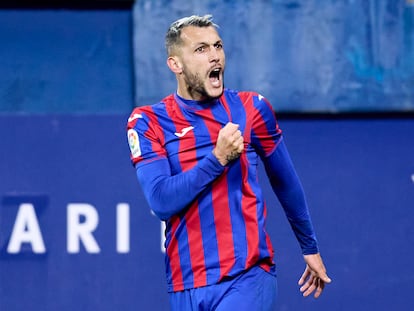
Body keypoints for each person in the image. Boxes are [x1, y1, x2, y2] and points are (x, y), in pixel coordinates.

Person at [127, 14, 331, 311]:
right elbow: (160, 200)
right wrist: (218, 159)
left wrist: (309, 246)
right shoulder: (148, 121)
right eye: (201, 49)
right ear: (176, 65)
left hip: (247, 275)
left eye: (218, 46)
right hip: (185, 283)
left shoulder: (251, 109)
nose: (214, 57)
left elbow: (286, 182)